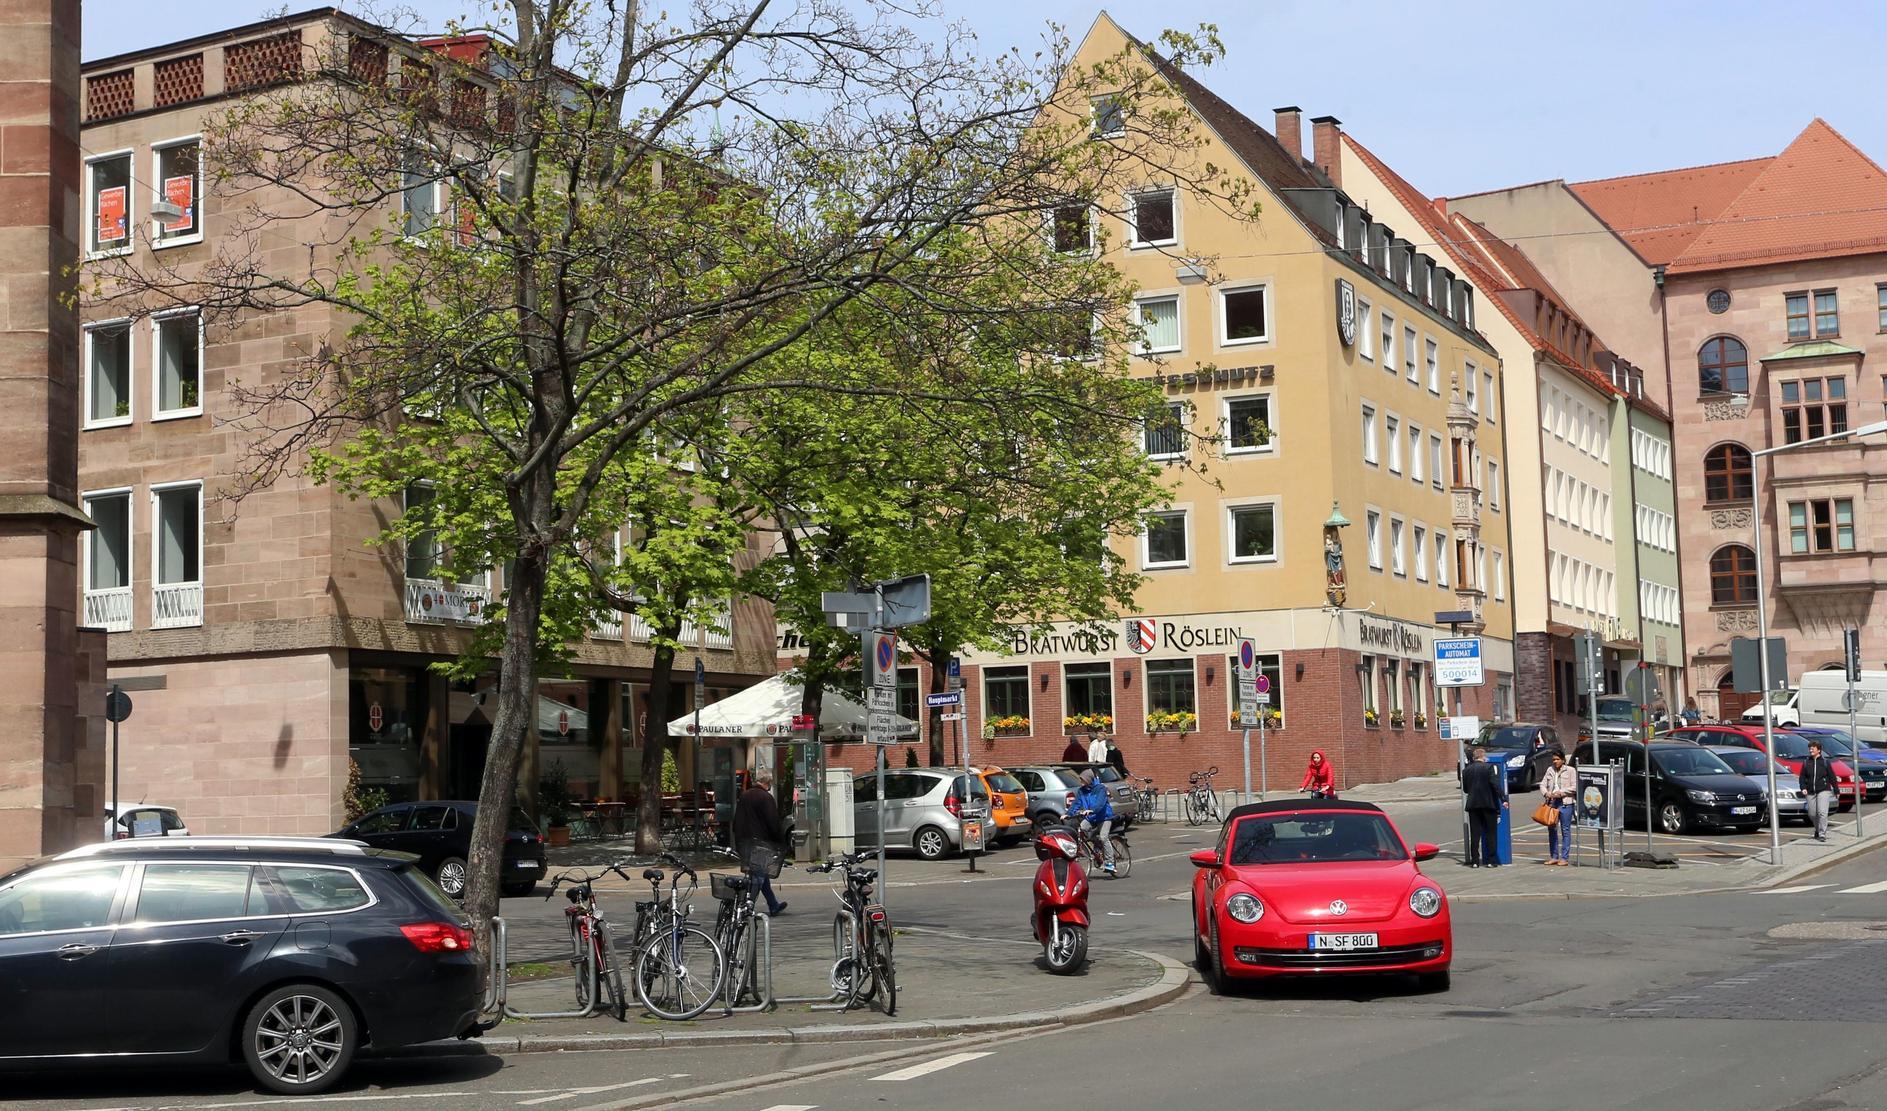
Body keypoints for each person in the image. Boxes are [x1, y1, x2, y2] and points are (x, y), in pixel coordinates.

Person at [732, 768, 788, 915]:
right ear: (767, 782)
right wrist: (781, 843)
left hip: (744, 841)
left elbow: (736, 819)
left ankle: (773, 904)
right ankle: (746, 906)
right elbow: (773, 823)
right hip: (760, 844)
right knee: (758, 877)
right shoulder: (766, 798)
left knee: (758, 873)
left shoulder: (745, 796)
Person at [1462, 746, 1507, 868]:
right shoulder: (1489, 768)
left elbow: (1465, 789)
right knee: (1490, 833)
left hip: (1472, 805)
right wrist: (1503, 799)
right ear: (1483, 757)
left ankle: (1475, 860)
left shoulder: (1466, 771)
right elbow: (1495, 785)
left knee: (1475, 834)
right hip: (1488, 804)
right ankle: (1491, 860)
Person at [1071, 768, 1116, 877]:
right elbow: (1076, 804)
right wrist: (1068, 814)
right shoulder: (1082, 790)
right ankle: (1089, 848)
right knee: (1080, 830)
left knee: (1104, 836)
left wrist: (1092, 810)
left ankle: (1110, 863)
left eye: (1083, 780)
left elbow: (1100, 803)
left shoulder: (1100, 788)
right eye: (1080, 780)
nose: (1081, 783)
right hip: (1091, 817)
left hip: (1104, 817)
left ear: (1089, 780)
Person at [1539, 751, 1577, 867]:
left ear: (1563, 760)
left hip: (1565, 803)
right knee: (1552, 829)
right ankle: (1554, 856)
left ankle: (1564, 858)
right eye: (1553, 760)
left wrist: (1561, 792)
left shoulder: (1570, 770)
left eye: (1557, 759)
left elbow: (1575, 787)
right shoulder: (1550, 770)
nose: (1555, 761)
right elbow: (1542, 784)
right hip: (1552, 803)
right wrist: (1546, 793)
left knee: (1565, 830)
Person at [1800, 738, 1838, 842]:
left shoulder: (1825, 762)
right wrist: (1803, 787)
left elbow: (1832, 776)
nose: (1810, 750)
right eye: (1810, 749)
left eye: (1812, 749)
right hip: (1810, 791)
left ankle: (1822, 834)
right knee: (1812, 814)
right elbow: (1802, 777)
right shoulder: (1806, 762)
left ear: (1819, 750)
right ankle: (1817, 829)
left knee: (1822, 812)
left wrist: (1836, 790)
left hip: (1824, 790)